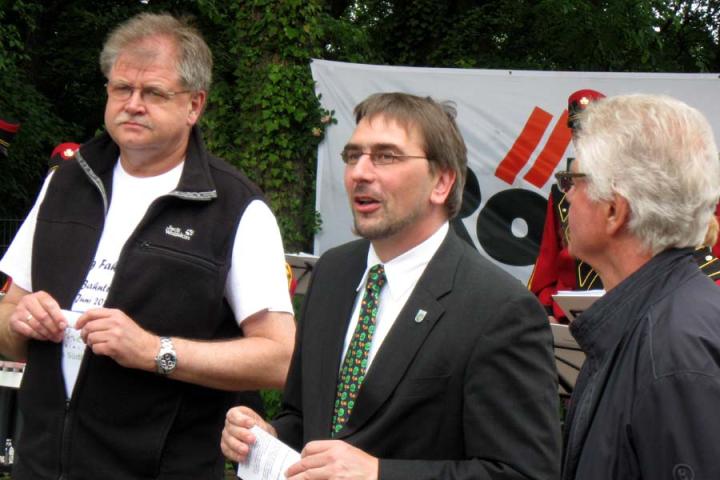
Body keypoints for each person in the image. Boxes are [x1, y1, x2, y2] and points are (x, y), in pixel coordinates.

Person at [0, 13, 295, 480]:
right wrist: (20, 320)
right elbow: (6, 318)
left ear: (194, 105)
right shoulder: (65, 183)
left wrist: (154, 351)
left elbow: (280, 357)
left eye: (154, 93)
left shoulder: (236, 207)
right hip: (40, 467)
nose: (133, 104)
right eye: (121, 89)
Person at [222, 92, 561, 480]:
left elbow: (524, 473)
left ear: (442, 182)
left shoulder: (499, 309)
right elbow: (306, 418)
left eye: (385, 156)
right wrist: (271, 436)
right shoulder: (333, 273)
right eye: (353, 156)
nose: (359, 173)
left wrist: (381, 474)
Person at [560, 94, 720, 479]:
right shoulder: (665, 320)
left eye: (574, 180)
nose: (566, 195)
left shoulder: (673, 352)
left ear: (614, 210)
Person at [528, 89, 605, 322]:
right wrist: (548, 309)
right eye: (578, 131)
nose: (582, 138)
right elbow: (548, 260)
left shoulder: (628, 188)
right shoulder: (560, 192)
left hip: (613, 303)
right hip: (567, 311)